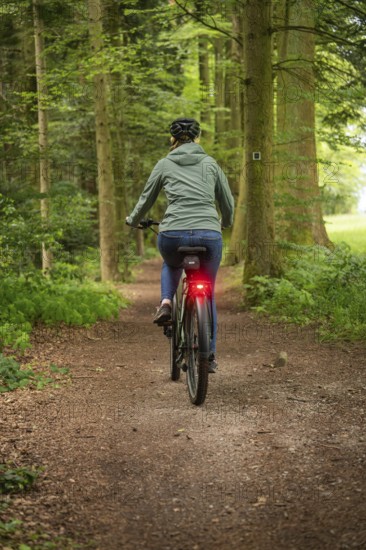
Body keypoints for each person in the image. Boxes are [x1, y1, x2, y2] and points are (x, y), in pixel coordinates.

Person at [126, 117, 234, 372]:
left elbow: (146, 198)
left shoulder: (164, 164)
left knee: (171, 264)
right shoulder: (210, 164)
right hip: (209, 234)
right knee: (208, 295)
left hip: (173, 233)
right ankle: (209, 355)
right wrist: (225, 222)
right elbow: (227, 201)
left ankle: (166, 303)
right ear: (198, 138)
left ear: (172, 139)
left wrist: (133, 219)